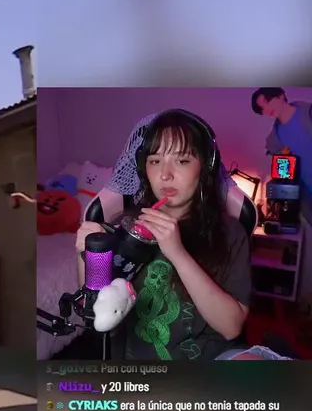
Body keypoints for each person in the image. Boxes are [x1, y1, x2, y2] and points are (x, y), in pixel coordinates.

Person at [75, 110, 250, 360]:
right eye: (155, 161)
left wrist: (177, 253)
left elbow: (231, 327)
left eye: (182, 161)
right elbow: (97, 319)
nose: (165, 175)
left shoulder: (230, 233)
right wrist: (88, 256)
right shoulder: (124, 228)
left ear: (205, 166)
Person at [252, 87, 312, 224]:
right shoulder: (274, 140)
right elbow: (285, 174)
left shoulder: (308, 113)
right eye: (262, 109)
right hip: (307, 197)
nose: (267, 109)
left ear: (281, 95)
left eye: (268, 101)